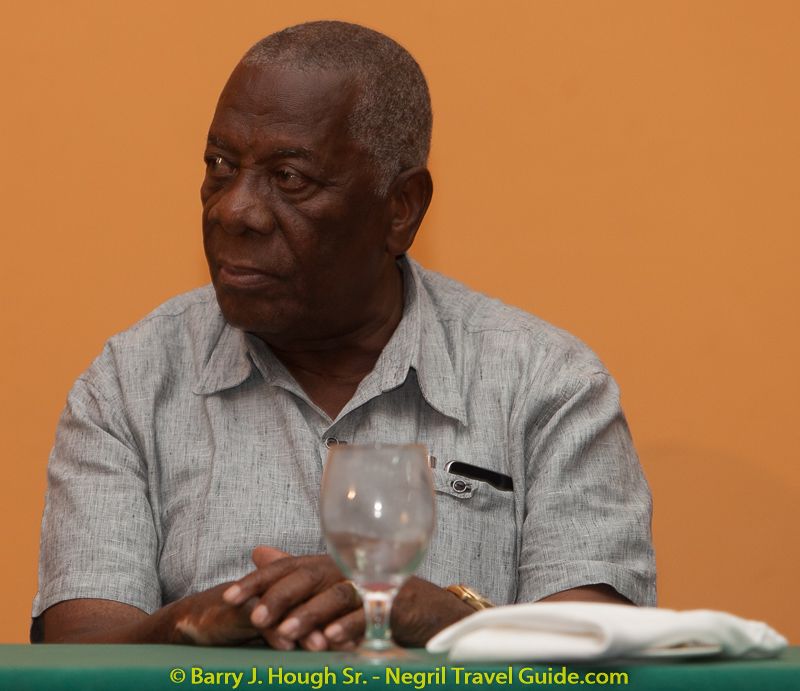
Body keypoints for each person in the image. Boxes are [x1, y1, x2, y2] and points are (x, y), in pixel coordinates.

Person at [32, 21, 656, 649]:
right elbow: (73, 655)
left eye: (290, 177)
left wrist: (435, 617)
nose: (233, 210)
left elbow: (602, 658)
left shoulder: (547, 387)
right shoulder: (131, 383)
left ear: (401, 208)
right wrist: (188, 624)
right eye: (220, 166)